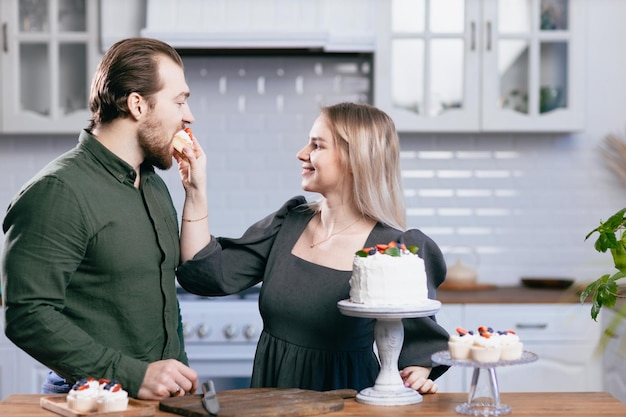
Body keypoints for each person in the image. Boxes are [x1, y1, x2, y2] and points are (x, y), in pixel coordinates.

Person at [174, 102, 449, 393]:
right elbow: (204, 273)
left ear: (355, 159)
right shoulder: (288, 224)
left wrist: (419, 371)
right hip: (271, 401)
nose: (302, 154)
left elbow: (419, 346)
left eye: (317, 145)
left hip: (347, 405)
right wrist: (195, 189)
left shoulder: (394, 250)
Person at [1, 37, 199, 399]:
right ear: (138, 105)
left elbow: (163, 299)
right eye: (180, 101)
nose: (188, 116)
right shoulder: (58, 191)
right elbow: (27, 315)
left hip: (162, 400)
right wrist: (134, 375)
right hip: (93, 398)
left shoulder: (153, 185)